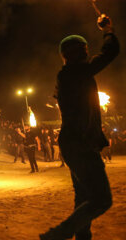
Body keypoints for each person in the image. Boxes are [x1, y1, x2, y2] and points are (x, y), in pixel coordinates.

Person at [40, 14, 119, 240]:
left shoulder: (70, 75)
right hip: (80, 144)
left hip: (76, 143)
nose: (87, 52)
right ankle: (59, 234)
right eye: (83, 49)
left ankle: (81, 237)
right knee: (102, 200)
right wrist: (108, 30)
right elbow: (110, 53)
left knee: (83, 196)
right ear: (71, 54)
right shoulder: (75, 73)